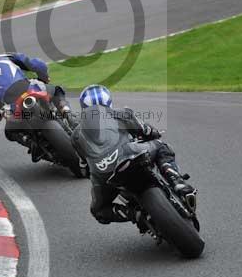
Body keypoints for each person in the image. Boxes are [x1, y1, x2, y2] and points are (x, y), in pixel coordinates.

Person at [71, 85, 196, 225]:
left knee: (98, 210)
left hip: (102, 173)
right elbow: (148, 132)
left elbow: (83, 163)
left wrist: (90, 171)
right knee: (161, 146)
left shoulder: (75, 135)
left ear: (83, 107)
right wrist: (154, 133)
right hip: (130, 153)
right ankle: (176, 181)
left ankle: (135, 215)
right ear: (108, 102)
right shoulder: (122, 113)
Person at [0, 40, 72, 139]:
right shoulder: (8, 56)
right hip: (29, 89)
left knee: (9, 132)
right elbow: (38, 65)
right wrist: (44, 77)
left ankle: (29, 141)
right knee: (57, 90)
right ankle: (68, 114)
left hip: (10, 106)